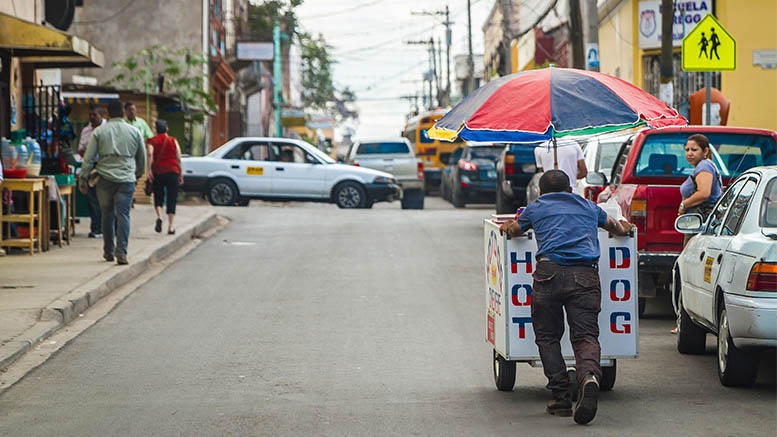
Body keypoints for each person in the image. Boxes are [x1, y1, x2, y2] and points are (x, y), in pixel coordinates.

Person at [499, 170, 632, 425]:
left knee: (548, 336)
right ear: (571, 189)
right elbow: (616, 227)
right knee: (585, 336)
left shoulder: (536, 207)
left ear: (540, 191)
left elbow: (514, 229)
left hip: (548, 274)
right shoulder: (589, 205)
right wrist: (624, 227)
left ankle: (560, 397)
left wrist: (508, 227)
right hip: (585, 276)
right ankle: (589, 377)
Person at [79, 100, 146, 265]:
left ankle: (108, 251)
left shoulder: (99, 132)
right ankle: (121, 252)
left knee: (107, 215)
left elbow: (88, 159)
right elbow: (142, 159)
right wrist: (135, 176)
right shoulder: (134, 132)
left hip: (105, 179)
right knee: (123, 215)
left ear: (107, 114)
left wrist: (83, 178)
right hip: (126, 179)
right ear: (123, 113)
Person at [147, 119, 183, 235]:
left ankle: (159, 216)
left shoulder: (152, 141)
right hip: (173, 171)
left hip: (158, 172)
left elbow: (150, 154)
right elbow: (178, 157)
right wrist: (180, 173)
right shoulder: (173, 140)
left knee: (158, 195)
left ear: (156, 130)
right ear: (166, 129)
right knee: (172, 198)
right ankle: (171, 227)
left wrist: (149, 171)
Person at [78, 104, 107, 238]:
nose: (92, 117)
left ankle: (108, 227)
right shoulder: (86, 131)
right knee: (93, 199)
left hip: (106, 165)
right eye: (90, 115)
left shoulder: (108, 128)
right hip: (91, 166)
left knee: (107, 199)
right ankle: (96, 229)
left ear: (101, 115)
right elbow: (81, 149)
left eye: (95, 114)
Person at [678, 134, 722, 221]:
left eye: (694, 150)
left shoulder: (704, 166)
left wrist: (683, 205)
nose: (689, 153)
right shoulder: (708, 165)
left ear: (705, 151)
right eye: (687, 150)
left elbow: (704, 193)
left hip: (701, 221)